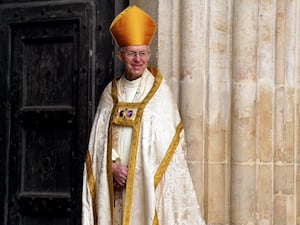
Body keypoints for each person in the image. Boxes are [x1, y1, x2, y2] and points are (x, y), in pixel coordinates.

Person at [82, 5, 206, 225]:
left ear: (149, 55)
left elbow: (169, 150)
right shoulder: (109, 94)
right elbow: (98, 144)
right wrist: (111, 167)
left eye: (142, 53)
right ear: (120, 55)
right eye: (131, 53)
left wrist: (136, 173)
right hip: (113, 188)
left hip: (145, 190)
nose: (137, 59)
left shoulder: (160, 95)